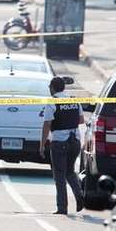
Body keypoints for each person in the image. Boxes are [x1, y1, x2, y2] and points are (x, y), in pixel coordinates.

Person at [39, 77, 84, 215]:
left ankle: (62, 207)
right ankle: (80, 196)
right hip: (75, 140)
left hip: (60, 142)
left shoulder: (52, 102)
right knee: (70, 171)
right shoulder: (73, 100)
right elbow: (81, 120)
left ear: (52, 87)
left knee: (59, 175)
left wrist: (42, 145)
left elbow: (47, 125)